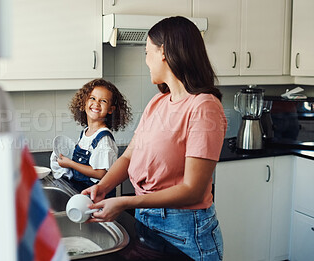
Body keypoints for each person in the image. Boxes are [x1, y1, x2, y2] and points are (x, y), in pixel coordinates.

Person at [82, 16, 227, 261]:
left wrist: (125, 202)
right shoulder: (158, 102)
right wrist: (102, 187)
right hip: (146, 222)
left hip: (184, 233)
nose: (146, 61)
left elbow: (193, 190)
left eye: (147, 52)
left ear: (164, 52)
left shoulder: (204, 106)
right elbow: (129, 156)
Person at [57, 78, 132, 197]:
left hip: (97, 198)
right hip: (83, 195)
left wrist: (70, 164)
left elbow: (101, 173)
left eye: (103, 101)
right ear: (83, 103)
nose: (96, 103)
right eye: (92, 98)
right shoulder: (86, 132)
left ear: (111, 109)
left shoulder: (104, 139)